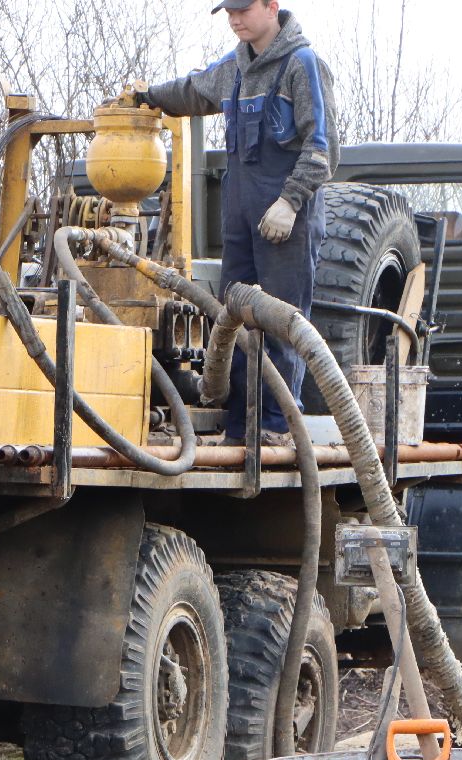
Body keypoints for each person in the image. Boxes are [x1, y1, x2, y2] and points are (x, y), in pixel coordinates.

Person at [139, 0, 338, 444]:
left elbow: (323, 149)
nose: (234, 18)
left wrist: (290, 202)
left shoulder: (302, 65)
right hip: (241, 219)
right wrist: (147, 96)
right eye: (229, 11)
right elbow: (191, 91)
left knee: (281, 323)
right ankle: (240, 428)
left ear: (272, 7)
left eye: (243, 9)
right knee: (235, 321)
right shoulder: (234, 68)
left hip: (286, 221)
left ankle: (275, 427)